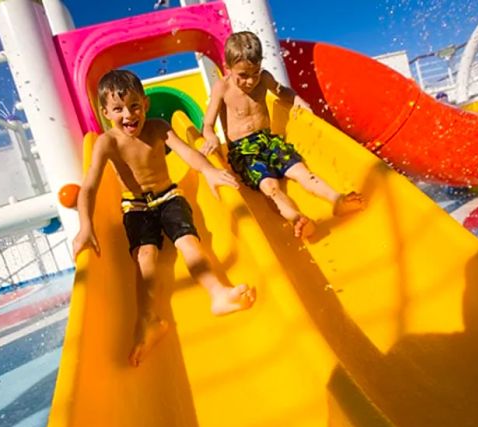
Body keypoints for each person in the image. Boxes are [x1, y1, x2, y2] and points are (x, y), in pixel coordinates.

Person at [73, 69, 256, 367]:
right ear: (106, 113)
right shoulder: (107, 143)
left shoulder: (158, 128)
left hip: (168, 196)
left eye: (134, 106)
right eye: (118, 109)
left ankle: (218, 294)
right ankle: (148, 320)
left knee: (188, 243)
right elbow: (89, 186)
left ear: (145, 104)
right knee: (144, 257)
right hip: (135, 206)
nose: (128, 115)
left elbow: (186, 153)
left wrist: (208, 171)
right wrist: (85, 226)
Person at [201, 31, 365, 239]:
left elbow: (283, 92)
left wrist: (296, 99)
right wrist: (211, 136)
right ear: (228, 67)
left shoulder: (265, 79)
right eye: (243, 75)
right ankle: (297, 218)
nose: (250, 81)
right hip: (244, 150)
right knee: (270, 187)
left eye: (255, 72)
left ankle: (337, 199)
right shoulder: (222, 88)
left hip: (269, 141)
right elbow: (207, 124)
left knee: (302, 172)